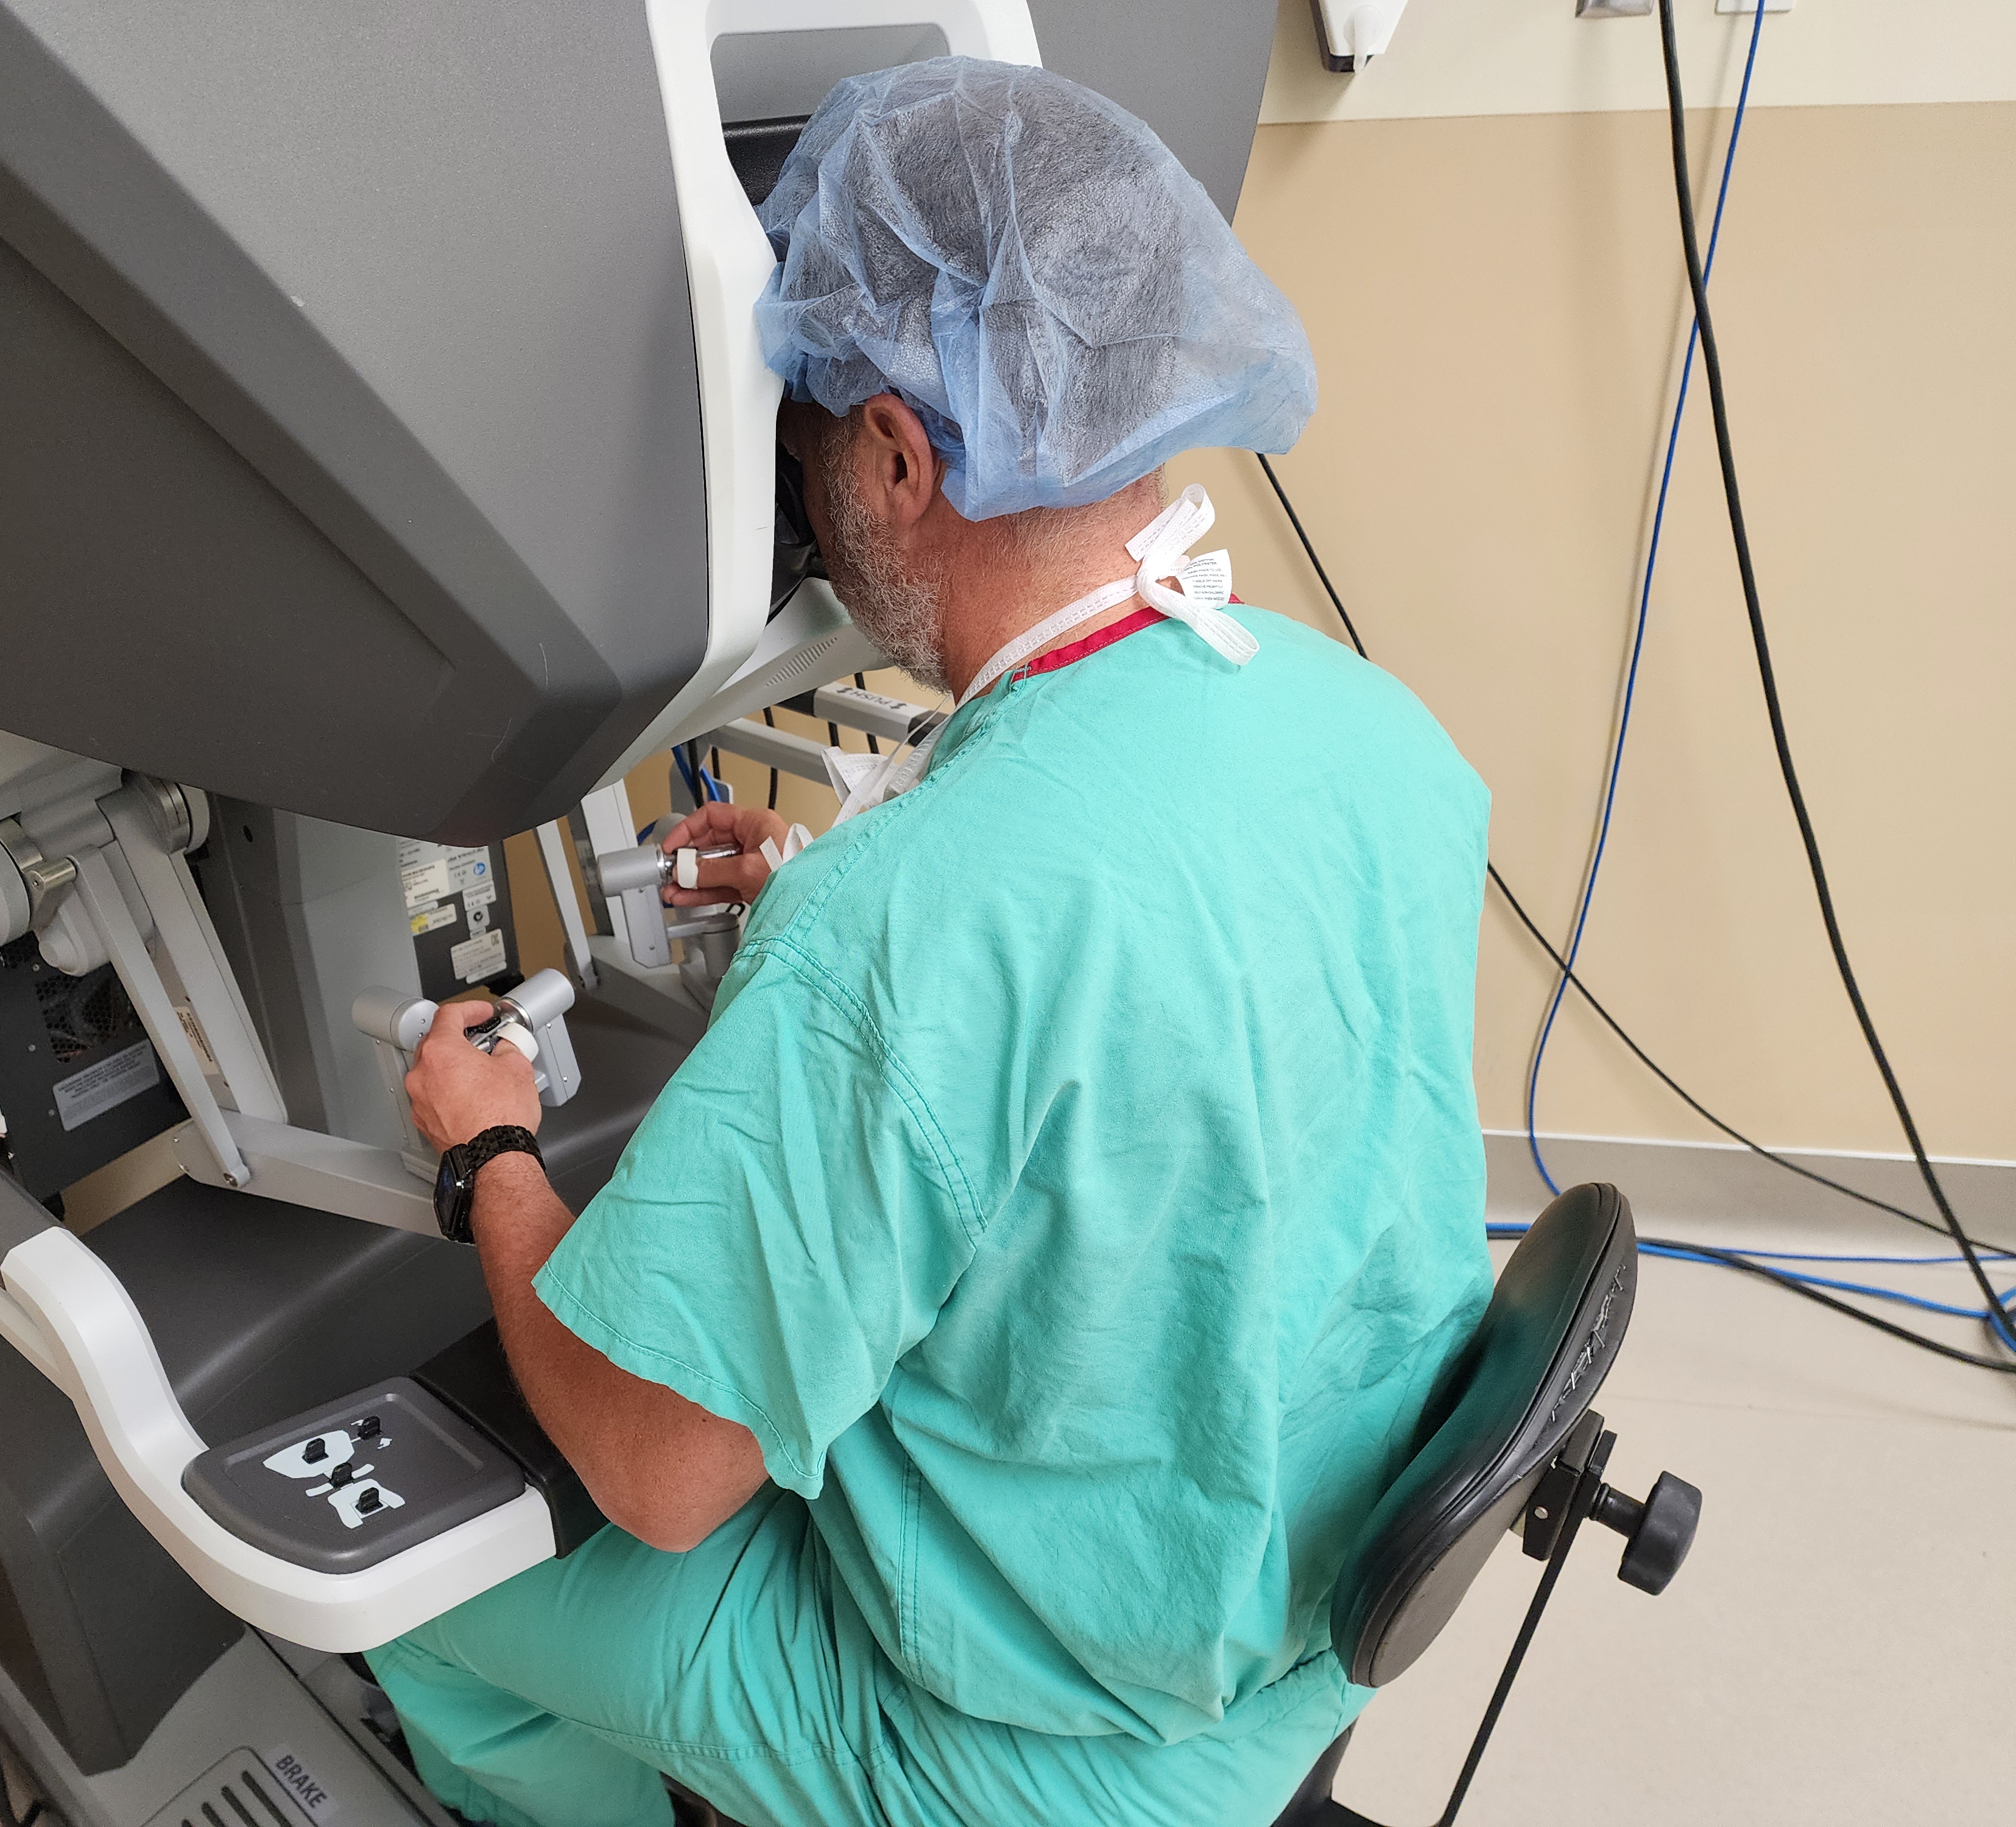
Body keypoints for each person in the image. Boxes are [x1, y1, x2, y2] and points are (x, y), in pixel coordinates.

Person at [374, 58, 1493, 1827]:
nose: (809, 504)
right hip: (1284, 1653)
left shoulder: (905, 935)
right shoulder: (1370, 729)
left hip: (1023, 1759)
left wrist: (488, 1157)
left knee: (422, 1612)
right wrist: (844, 894)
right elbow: (1167, 1038)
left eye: (812, 442)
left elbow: (658, 1471)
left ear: (899, 452)